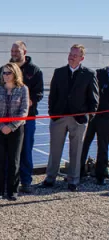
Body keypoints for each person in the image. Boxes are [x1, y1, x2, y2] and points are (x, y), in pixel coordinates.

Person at [41, 44, 99, 191]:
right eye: (70, 54)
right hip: (58, 118)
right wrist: (52, 114)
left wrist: (87, 117)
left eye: (75, 55)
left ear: (82, 58)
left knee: (76, 150)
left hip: (78, 120)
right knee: (55, 150)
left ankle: (73, 180)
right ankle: (50, 178)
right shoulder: (59, 72)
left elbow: (94, 100)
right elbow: (52, 95)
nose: (71, 57)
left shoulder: (89, 74)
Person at [0, 41, 43, 193]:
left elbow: (39, 92)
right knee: (9, 153)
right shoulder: (4, 69)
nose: (14, 53)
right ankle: (9, 184)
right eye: (12, 51)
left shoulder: (34, 71)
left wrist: (30, 100)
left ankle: (26, 181)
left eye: (17, 51)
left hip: (26, 119)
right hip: (6, 120)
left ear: (24, 51)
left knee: (25, 150)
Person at [0, 62, 29, 201]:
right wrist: (1, 126)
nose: (5, 76)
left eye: (8, 73)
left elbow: (24, 111)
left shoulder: (23, 89)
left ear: (15, 73)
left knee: (14, 160)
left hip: (16, 130)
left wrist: (11, 126)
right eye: (4, 73)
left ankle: (12, 190)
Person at [80, 65, 109, 184]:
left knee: (102, 147)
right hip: (91, 115)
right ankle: (79, 172)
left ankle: (100, 175)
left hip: (106, 119)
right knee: (83, 143)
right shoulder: (98, 73)